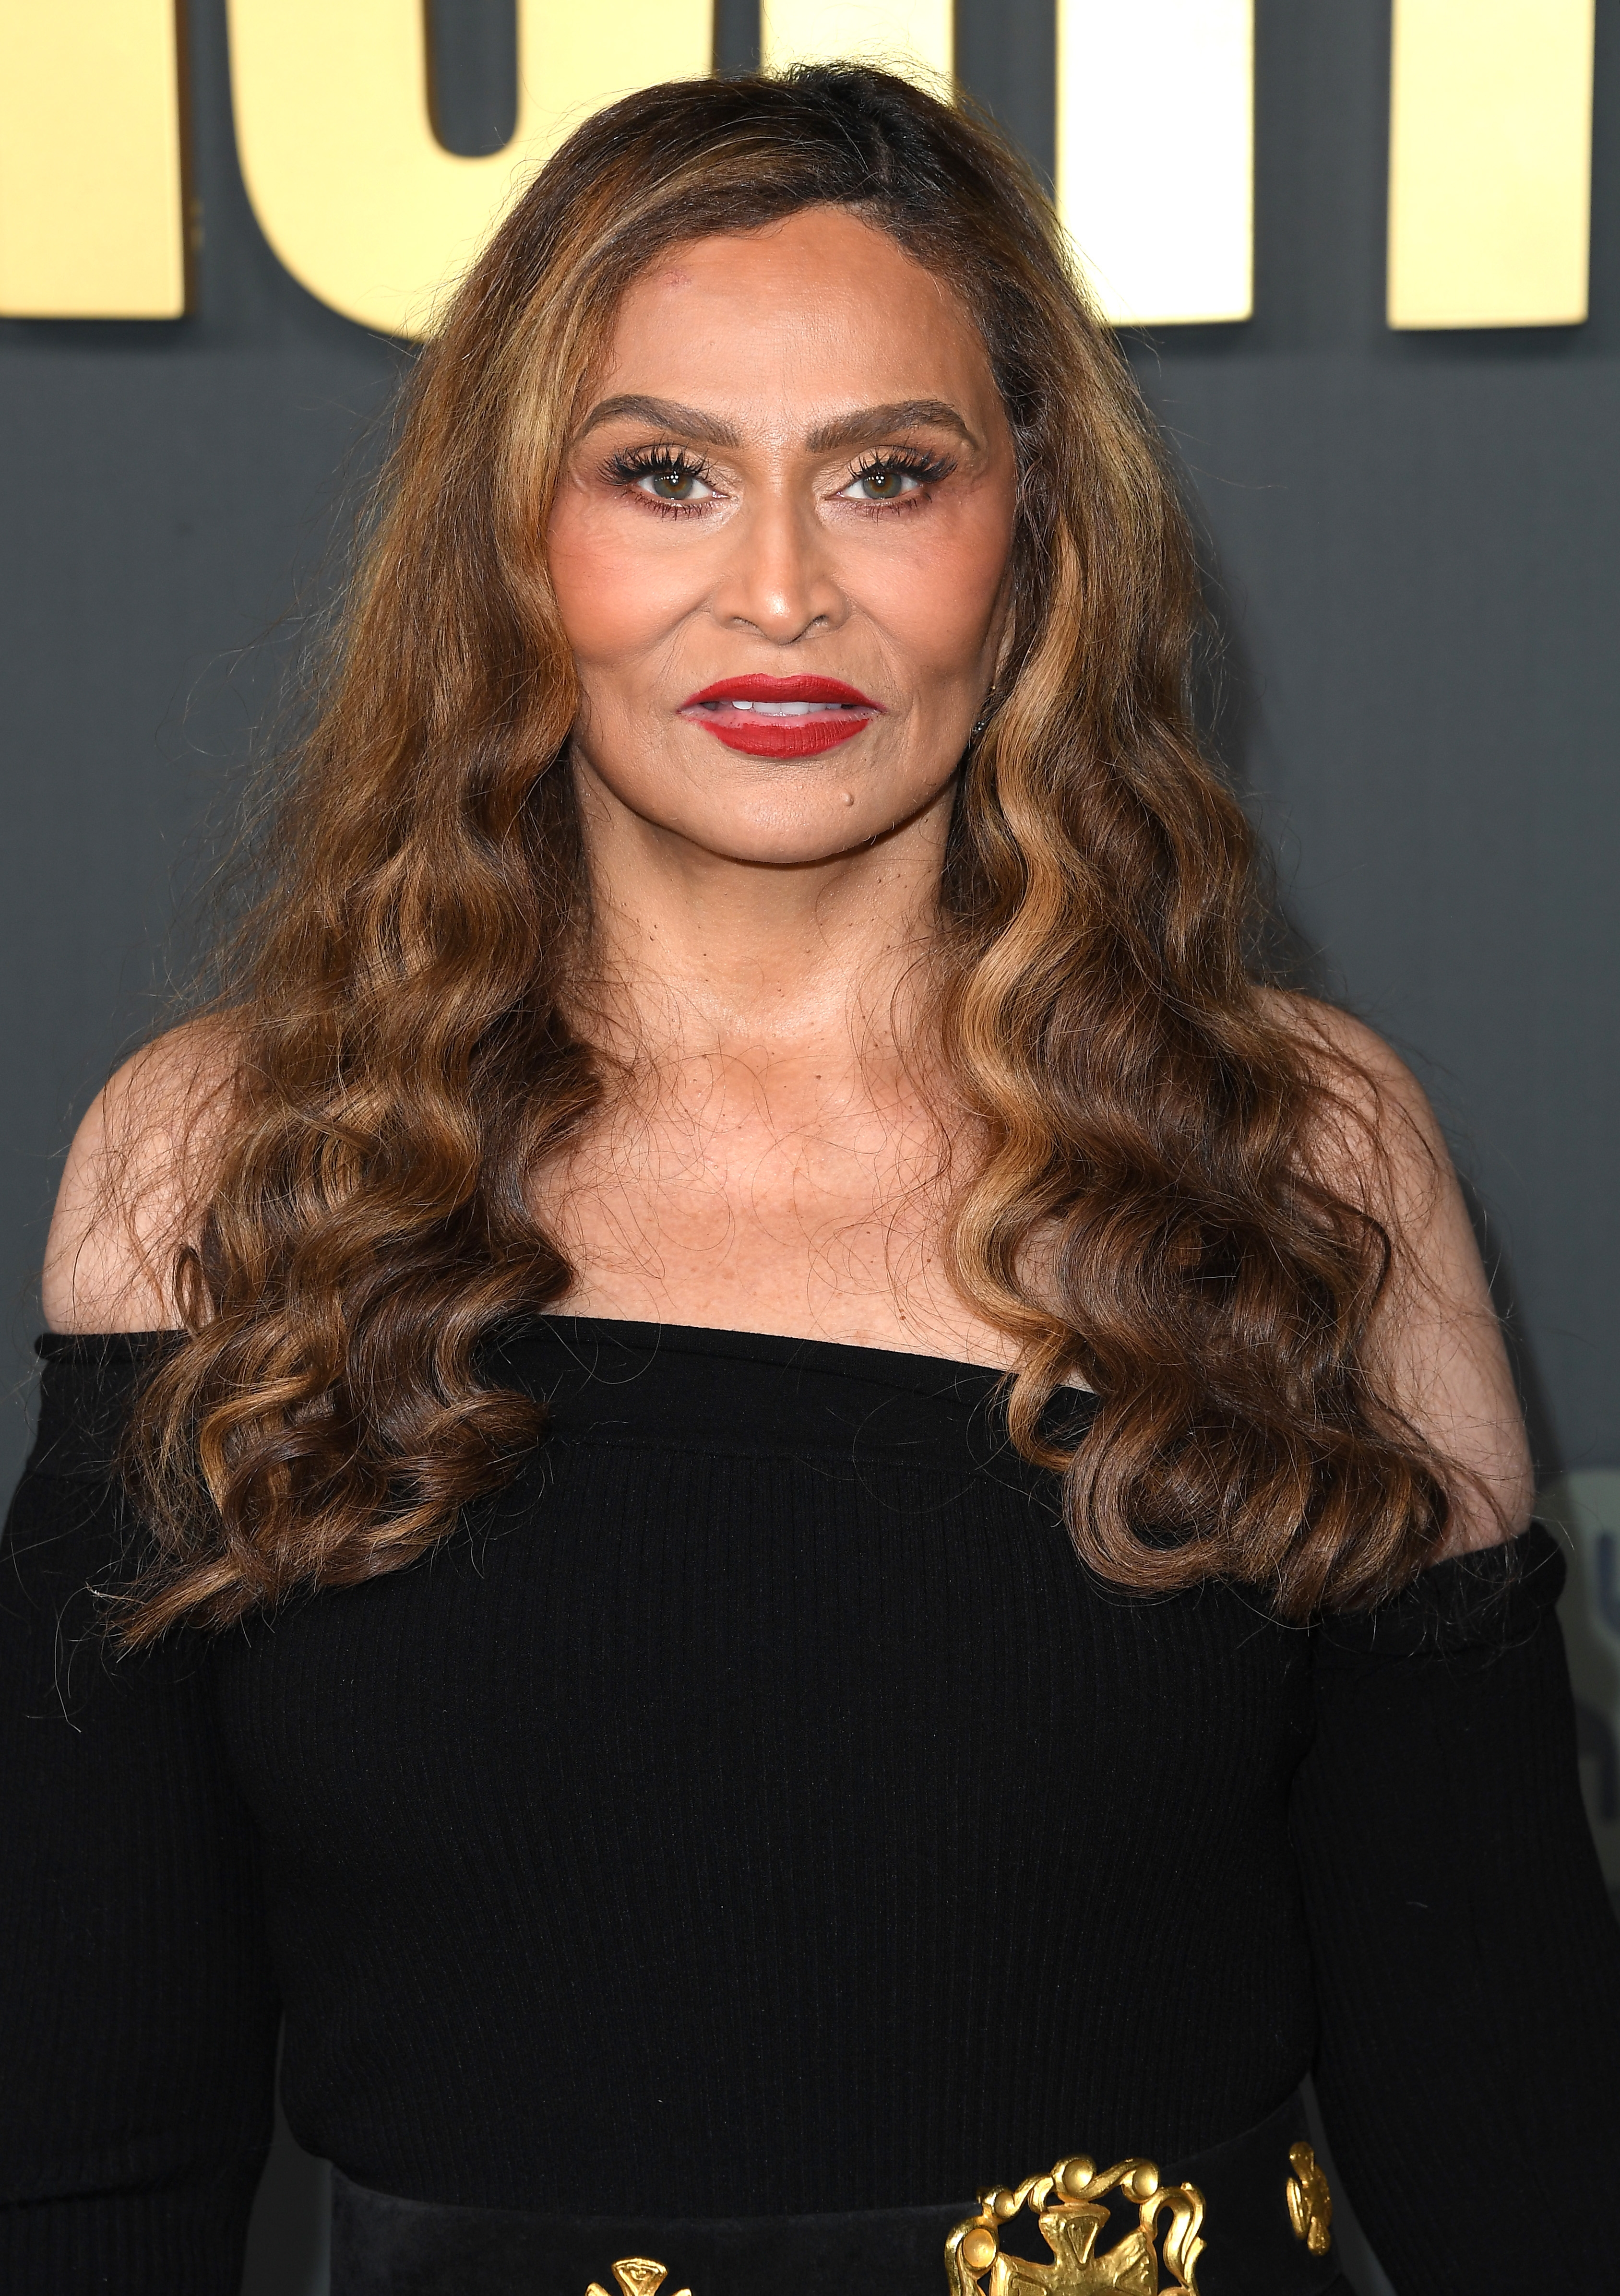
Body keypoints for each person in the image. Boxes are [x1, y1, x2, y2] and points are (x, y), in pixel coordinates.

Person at [2, 62, 1614, 2296]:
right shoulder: (226, 1165)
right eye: (663, 474)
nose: (777, 590)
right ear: (510, 541)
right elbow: (78, 2150)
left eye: (887, 476)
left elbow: (1510, 2110)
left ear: (1028, 533)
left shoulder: (1292, 1155)